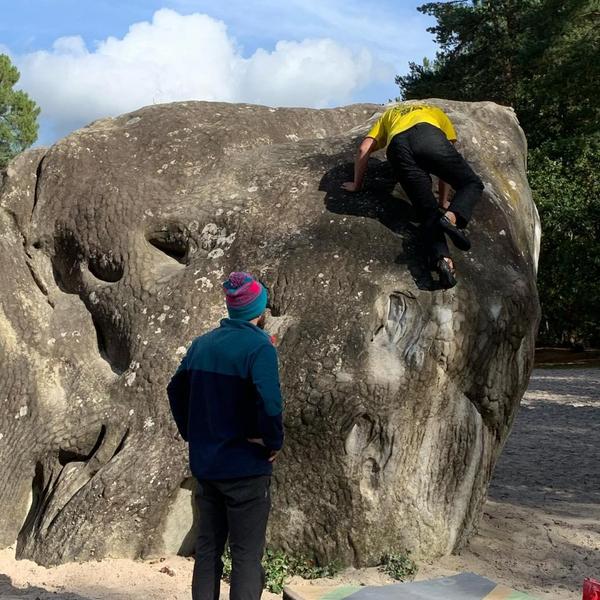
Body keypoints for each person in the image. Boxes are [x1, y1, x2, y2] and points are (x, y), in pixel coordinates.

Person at [167, 271, 284, 600]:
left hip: (208, 465)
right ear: (258, 310)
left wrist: (192, 432)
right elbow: (271, 402)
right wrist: (272, 441)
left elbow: (175, 388)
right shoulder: (260, 347)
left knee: (207, 552)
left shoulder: (202, 345)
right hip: (246, 467)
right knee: (246, 555)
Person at [342, 103, 483, 288]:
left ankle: (443, 261)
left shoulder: (389, 115)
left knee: (427, 213)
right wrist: (444, 201)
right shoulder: (436, 111)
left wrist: (357, 185)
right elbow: (444, 167)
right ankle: (451, 219)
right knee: (471, 183)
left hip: (398, 149)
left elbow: (363, 149)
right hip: (428, 136)